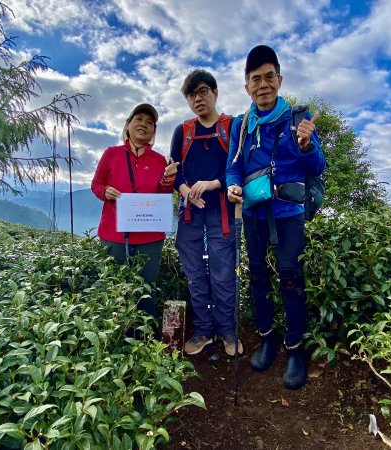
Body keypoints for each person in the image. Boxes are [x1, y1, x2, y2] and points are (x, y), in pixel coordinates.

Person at [226, 45, 326, 389]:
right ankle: (267, 338)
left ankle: (295, 348)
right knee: (257, 277)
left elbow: (317, 168)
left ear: (279, 80)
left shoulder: (299, 118)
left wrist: (306, 146)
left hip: (288, 213)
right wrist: (233, 187)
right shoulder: (241, 126)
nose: (263, 84)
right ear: (247, 87)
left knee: (291, 278)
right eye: (256, 79)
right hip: (254, 213)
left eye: (269, 76)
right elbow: (233, 168)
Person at [170, 69, 242, 357]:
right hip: (190, 214)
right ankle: (203, 331)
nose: (197, 99)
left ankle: (227, 330)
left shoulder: (232, 126)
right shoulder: (183, 131)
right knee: (194, 273)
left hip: (222, 212)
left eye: (202, 92)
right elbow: (175, 174)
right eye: (191, 95)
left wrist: (214, 184)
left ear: (215, 92)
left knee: (224, 275)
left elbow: (240, 168)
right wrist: (187, 192)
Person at [91, 103, 179, 319]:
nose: (144, 124)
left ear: (153, 132)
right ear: (128, 125)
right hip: (114, 235)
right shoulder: (111, 154)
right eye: (138, 119)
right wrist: (105, 191)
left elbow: (163, 196)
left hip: (150, 236)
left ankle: (145, 338)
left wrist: (168, 179)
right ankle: (118, 335)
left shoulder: (160, 160)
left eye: (150, 123)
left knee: (147, 289)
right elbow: (96, 184)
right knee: (116, 288)